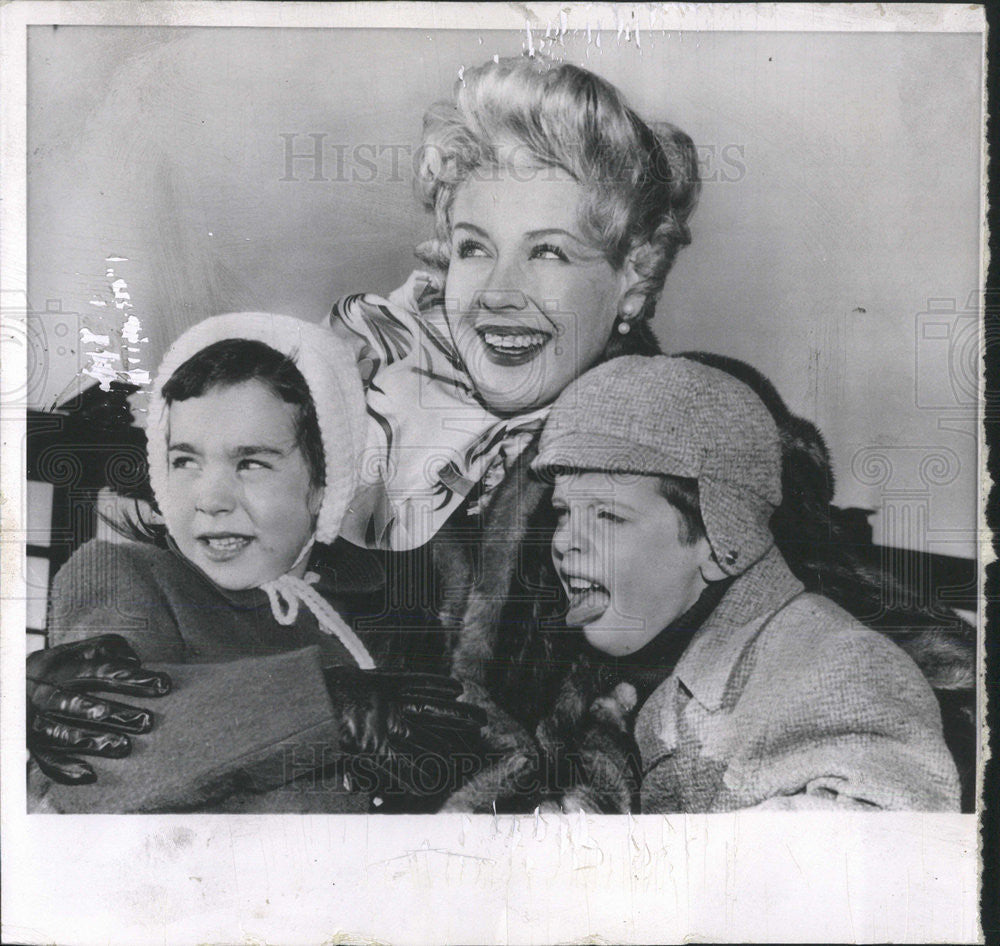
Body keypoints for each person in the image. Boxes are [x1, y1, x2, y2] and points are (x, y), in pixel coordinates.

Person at [325, 56, 973, 811]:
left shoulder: (690, 433)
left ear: (631, 277)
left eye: (548, 252)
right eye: (475, 246)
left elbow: (861, 656)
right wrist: (310, 705)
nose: (498, 294)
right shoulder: (382, 414)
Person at [28, 312, 484, 813]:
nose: (211, 499)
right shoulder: (121, 576)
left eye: (250, 463)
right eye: (185, 461)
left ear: (323, 485)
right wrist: (326, 704)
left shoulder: (397, 616)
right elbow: (101, 775)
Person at [529, 355, 961, 811]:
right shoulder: (606, 667)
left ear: (720, 543)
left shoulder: (841, 667)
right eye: (563, 512)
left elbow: (892, 859)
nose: (565, 542)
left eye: (608, 516)